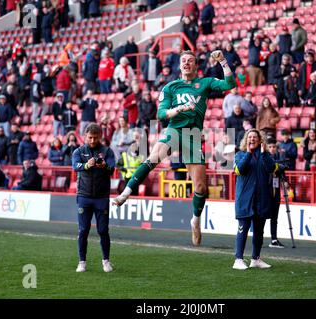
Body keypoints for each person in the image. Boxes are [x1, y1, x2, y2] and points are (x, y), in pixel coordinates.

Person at [112, 50, 236, 247]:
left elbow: (230, 84)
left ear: (196, 66)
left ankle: (195, 219)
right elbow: (161, 114)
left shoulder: (204, 83)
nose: (187, 63)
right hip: (174, 129)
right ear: (179, 66)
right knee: (153, 157)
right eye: (183, 61)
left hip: (193, 136)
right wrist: (176, 110)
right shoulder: (170, 87)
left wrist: (223, 62)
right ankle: (126, 193)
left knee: (201, 188)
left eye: (190, 61)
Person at [72, 123, 116, 273]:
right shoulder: (78, 151)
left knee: (103, 230)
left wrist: (105, 166)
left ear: (100, 137)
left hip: (101, 197)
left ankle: (106, 261)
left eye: (95, 138)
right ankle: (82, 262)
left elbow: (112, 169)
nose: (92, 140)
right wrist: (86, 165)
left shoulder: (107, 151)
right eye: (90, 137)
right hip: (84, 196)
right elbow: (75, 166)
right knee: (83, 230)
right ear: (85, 136)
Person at [232, 129, 278, 269]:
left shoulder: (265, 155)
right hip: (245, 199)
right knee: (243, 229)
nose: (252, 139)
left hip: (261, 199)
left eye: (255, 137)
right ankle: (238, 259)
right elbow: (239, 170)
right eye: (249, 137)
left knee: (259, 231)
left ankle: (255, 259)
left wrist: (264, 154)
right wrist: (248, 153)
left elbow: (272, 168)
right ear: (246, 140)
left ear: (260, 140)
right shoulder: (240, 155)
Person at [266, 138, 286, 248]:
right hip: (266, 191)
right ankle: (258, 237)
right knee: (263, 216)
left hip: (276, 190)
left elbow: (282, 170)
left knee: (274, 217)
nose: (272, 149)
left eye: (274, 147)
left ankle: (274, 239)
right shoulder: (264, 158)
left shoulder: (279, 159)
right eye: (270, 147)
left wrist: (285, 179)